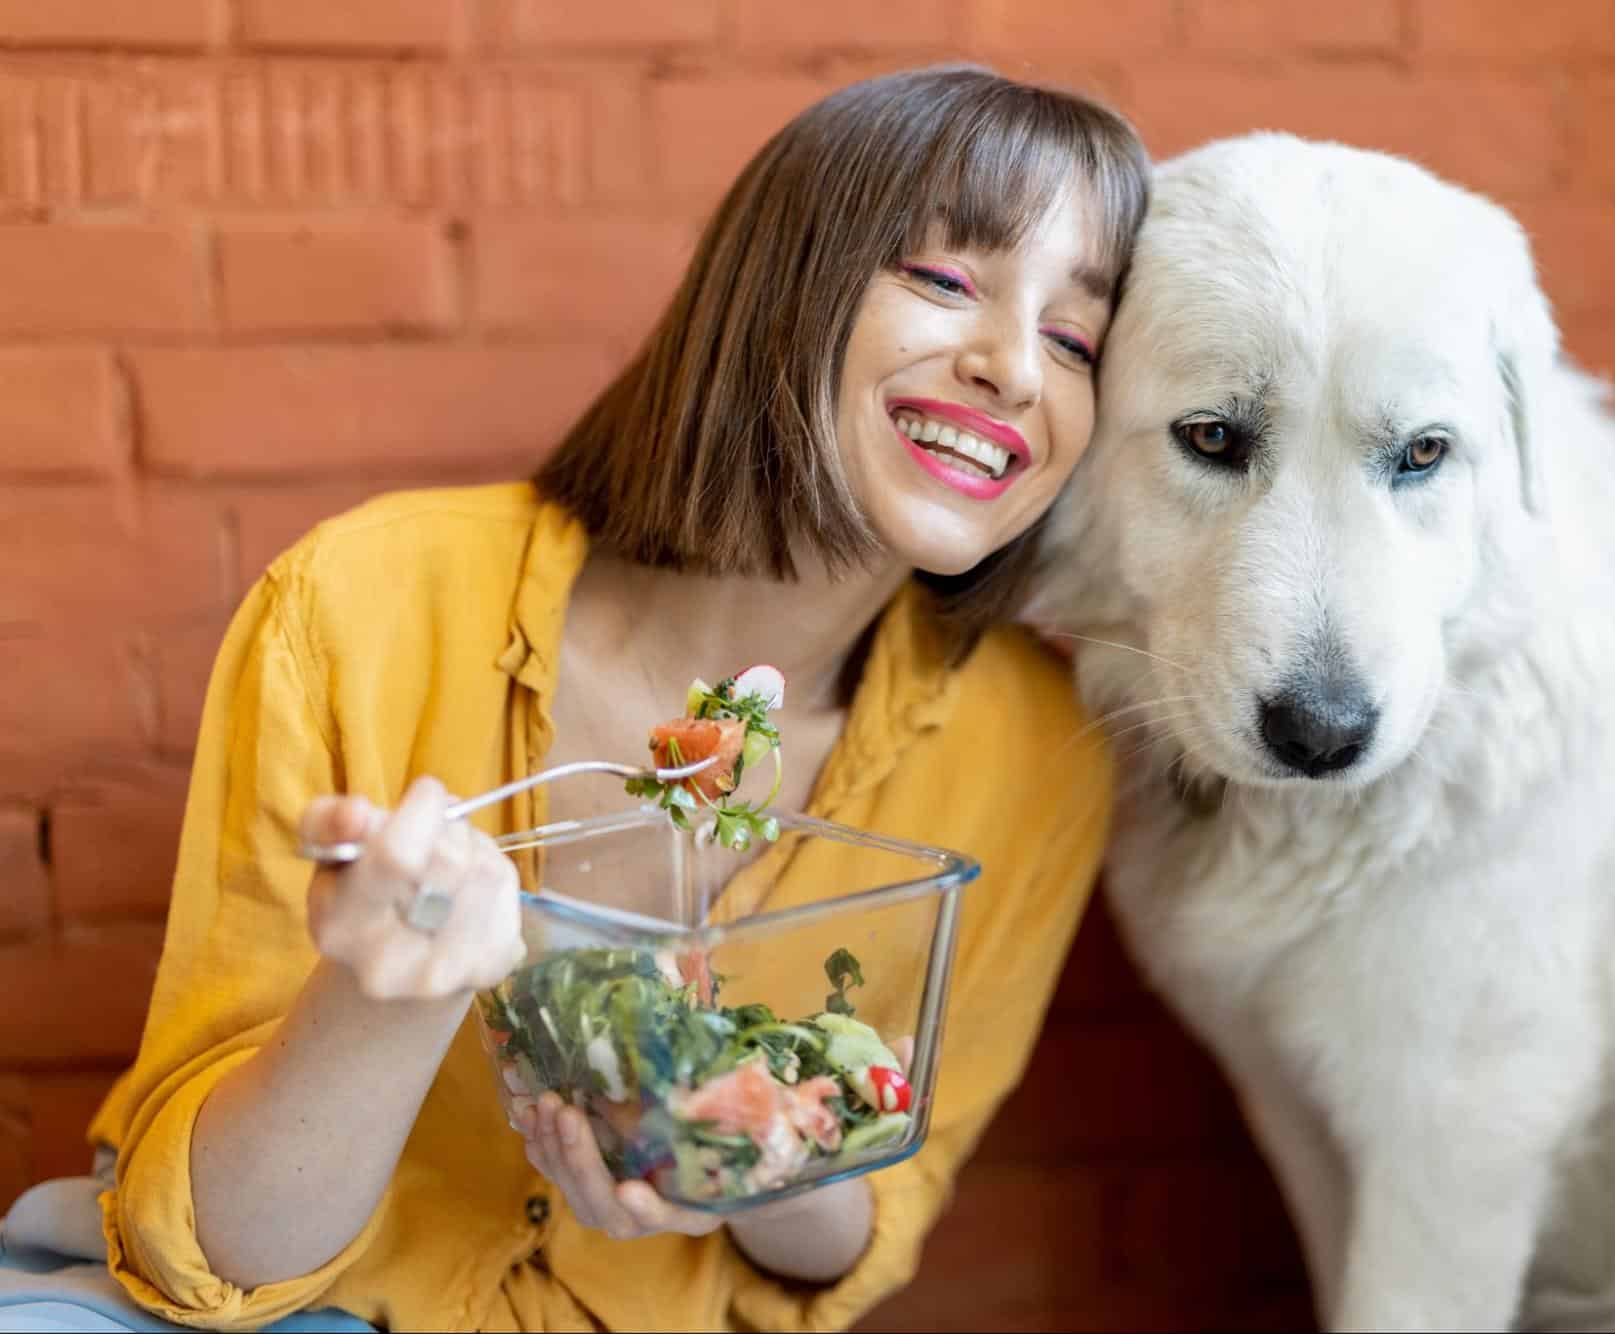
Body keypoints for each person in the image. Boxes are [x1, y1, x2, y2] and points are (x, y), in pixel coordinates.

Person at [58, 64, 1148, 1331]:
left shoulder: (1035, 749)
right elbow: (218, 1255)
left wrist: (732, 1145)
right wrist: (380, 996)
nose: (1015, 367)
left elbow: (850, 1242)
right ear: (781, 286)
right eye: (946, 280)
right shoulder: (359, 607)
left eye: (1075, 338)